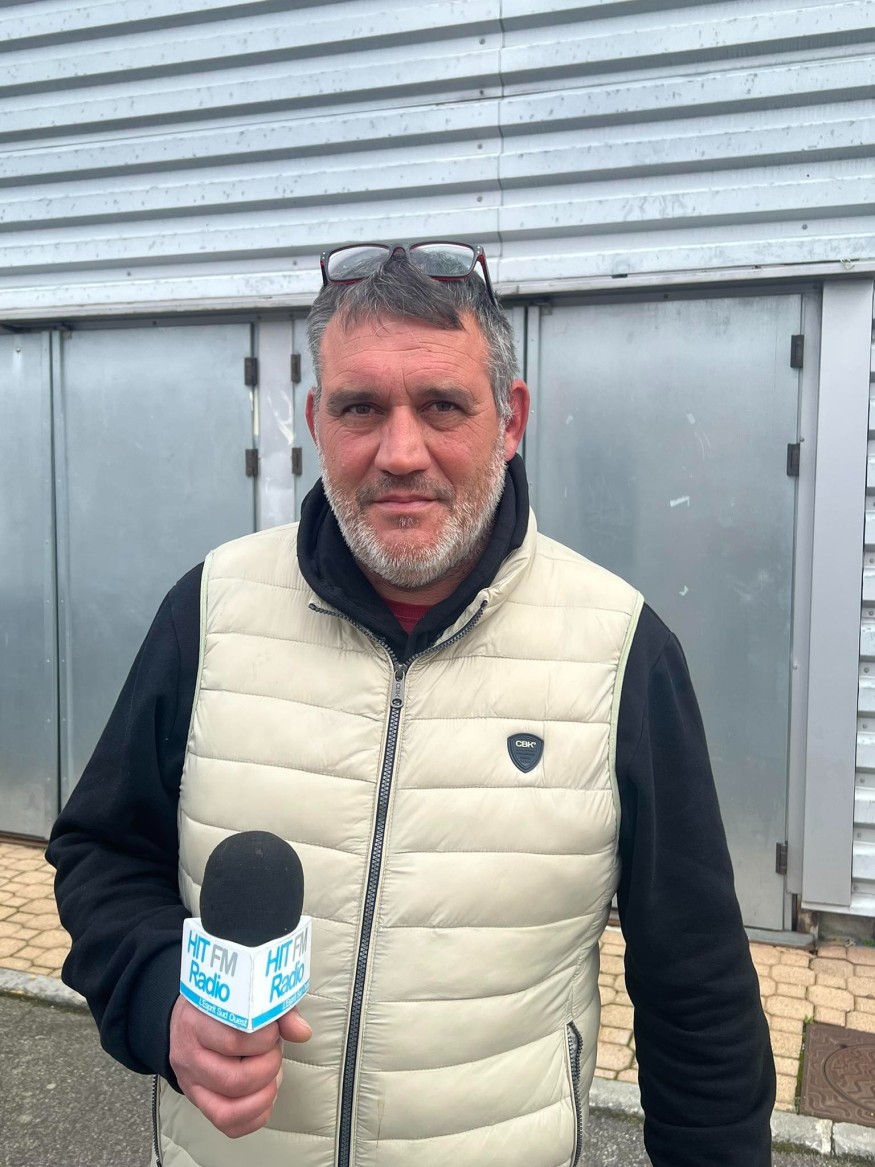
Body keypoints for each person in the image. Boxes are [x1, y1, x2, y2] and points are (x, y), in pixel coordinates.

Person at [48, 241, 775, 1167]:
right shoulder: (210, 611)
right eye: (360, 407)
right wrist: (161, 1000)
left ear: (509, 419)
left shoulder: (622, 650)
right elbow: (101, 854)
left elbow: (697, 992)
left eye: (441, 405)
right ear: (316, 419)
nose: (399, 452)